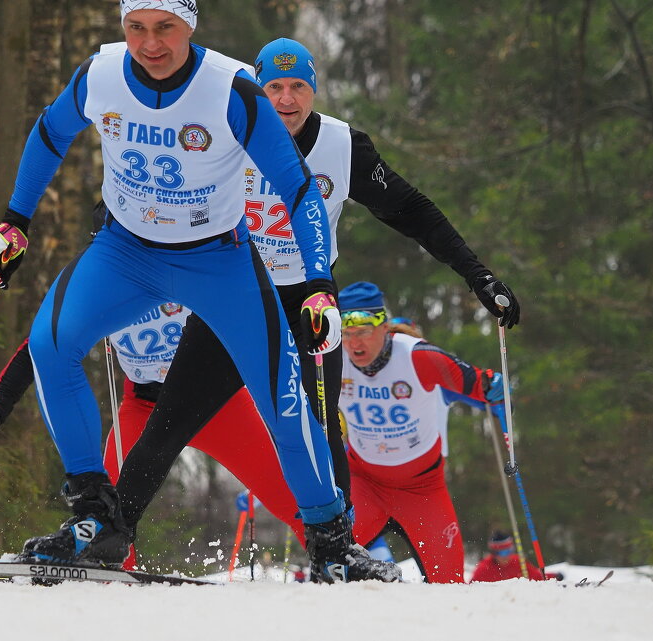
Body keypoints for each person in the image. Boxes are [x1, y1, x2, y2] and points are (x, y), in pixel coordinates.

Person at [0, 0, 384, 582]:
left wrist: (321, 284)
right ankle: (94, 517)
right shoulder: (104, 71)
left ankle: (331, 543)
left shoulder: (232, 88)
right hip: (124, 253)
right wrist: (13, 222)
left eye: (166, 26)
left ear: (190, 24)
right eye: (136, 26)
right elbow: (49, 133)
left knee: (282, 397)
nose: (150, 43)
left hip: (217, 261)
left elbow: (297, 188)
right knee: (51, 343)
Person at [86, 37, 518, 579]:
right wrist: (119, 212)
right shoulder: (226, 127)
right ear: (257, 90)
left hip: (308, 300)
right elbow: (160, 172)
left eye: (299, 88)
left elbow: (411, 209)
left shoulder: (341, 145)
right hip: (234, 294)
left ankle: (336, 552)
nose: (286, 100)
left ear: (314, 90)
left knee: (321, 428)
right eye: (273, 88)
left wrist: (477, 275)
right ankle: (108, 536)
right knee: (168, 422)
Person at [0, 297, 307, 567]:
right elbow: (42, 345)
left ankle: (338, 556)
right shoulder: (105, 285)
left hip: (215, 404)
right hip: (143, 405)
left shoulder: (180, 263)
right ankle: (112, 578)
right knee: (107, 510)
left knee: (293, 496)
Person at [337, 280, 505, 583]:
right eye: (346, 334)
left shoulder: (419, 357)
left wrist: (495, 389)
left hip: (421, 489)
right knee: (329, 571)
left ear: (384, 327)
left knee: (449, 583)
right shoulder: (332, 360)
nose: (353, 343)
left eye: (362, 331)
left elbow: (478, 382)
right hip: (365, 484)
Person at [469, 531, 547, 582]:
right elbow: (471, 589)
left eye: (509, 551)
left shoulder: (519, 562)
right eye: (501, 553)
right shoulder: (483, 569)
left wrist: (556, 576)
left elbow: (539, 578)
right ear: (493, 553)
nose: (505, 556)